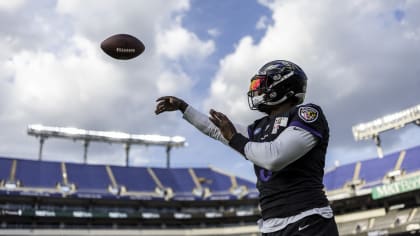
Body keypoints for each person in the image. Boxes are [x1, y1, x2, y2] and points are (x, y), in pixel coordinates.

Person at [154, 60, 339, 236]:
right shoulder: (259, 127)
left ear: (282, 86)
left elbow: (275, 157)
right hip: (272, 224)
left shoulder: (308, 114)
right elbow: (217, 130)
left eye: (262, 84)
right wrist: (184, 108)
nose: (257, 90)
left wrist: (235, 139)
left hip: (308, 219)